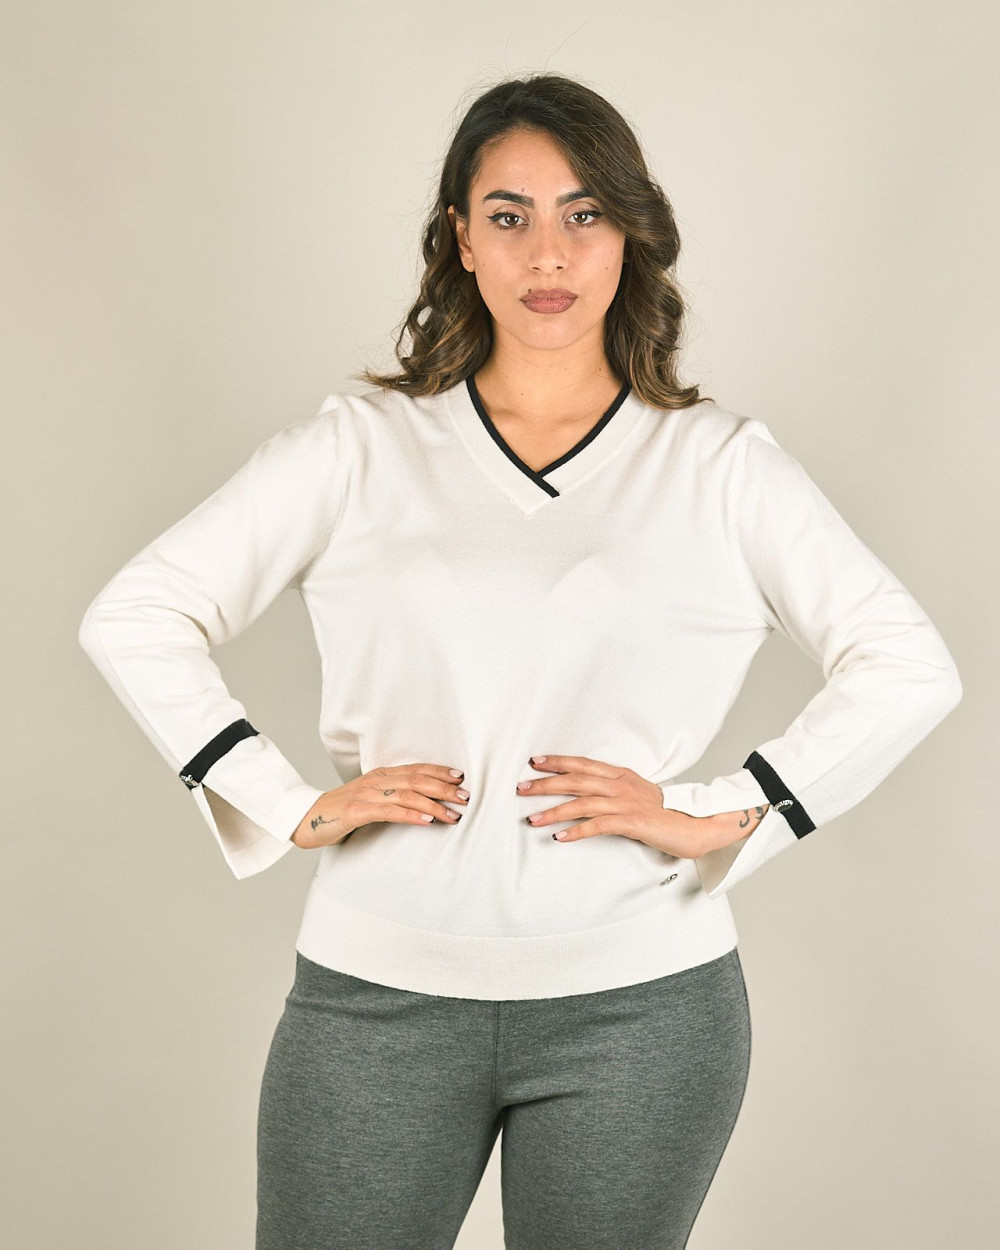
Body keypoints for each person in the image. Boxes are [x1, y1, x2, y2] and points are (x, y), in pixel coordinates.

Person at [77, 73, 962, 1250]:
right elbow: (137, 613)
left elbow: (906, 663)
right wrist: (283, 802)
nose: (548, 252)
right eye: (509, 215)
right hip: (372, 996)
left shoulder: (718, 466)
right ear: (460, 237)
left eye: (583, 213)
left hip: (642, 1011)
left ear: (630, 231)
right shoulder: (359, 448)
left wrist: (724, 809)